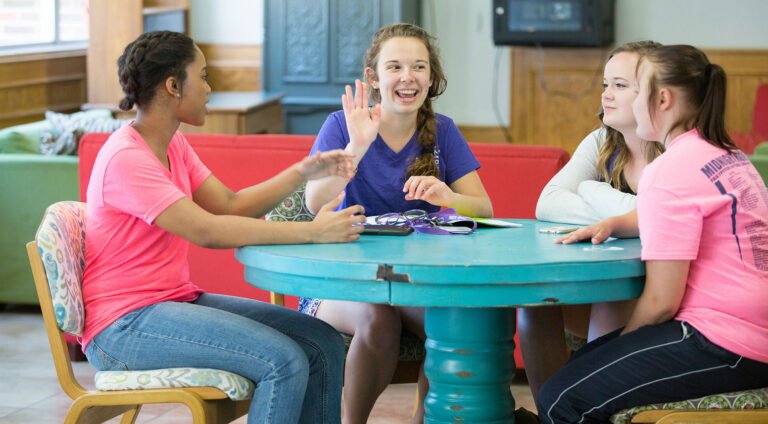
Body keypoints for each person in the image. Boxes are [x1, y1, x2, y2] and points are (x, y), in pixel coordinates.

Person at [82, 31, 367, 424]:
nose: (209, 87)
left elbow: (232, 205)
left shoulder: (172, 143)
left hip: (171, 301)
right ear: (172, 86)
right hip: (123, 325)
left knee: (322, 342)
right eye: (202, 76)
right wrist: (313, 232)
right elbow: (209, 231)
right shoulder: (126, 158)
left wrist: (302, 171)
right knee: (281, 361)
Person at [535, 44, 768, 423]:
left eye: (634, 89)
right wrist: (617, 222)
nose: (618, 98)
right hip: (752, 330)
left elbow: (662, 301)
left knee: (563, 398)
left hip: (725, 341)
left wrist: (623, 347)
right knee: (579, 368)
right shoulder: (726, 154)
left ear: (661, 99)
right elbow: (691, 215)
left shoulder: (670, 168)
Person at [302, 23, 493, 424]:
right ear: (374, 78)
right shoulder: (341, 125)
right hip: (341, 282)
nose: (408, 77)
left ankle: (426, 419)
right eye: (395, 67)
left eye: (419, 67)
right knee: (378, 316)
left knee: (455, 320)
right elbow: (314, 203)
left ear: (431, 78)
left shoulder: (444, 132)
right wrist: (357, 147)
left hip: (413, 282)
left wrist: (449, 198)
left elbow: (484, 209)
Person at [522, 41, 664, 401]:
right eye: (605, 84)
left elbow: (661, 218)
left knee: (609, 299)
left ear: (654, 93)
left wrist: (593, 192)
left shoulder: (674, 148)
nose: (606, 95)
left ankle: (590, 405)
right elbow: (547, 203)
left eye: (620, 85)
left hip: (666, 290)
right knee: (536, 305)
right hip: (618, 278)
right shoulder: (603, 140)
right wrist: (625, 217)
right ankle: (549, 411)